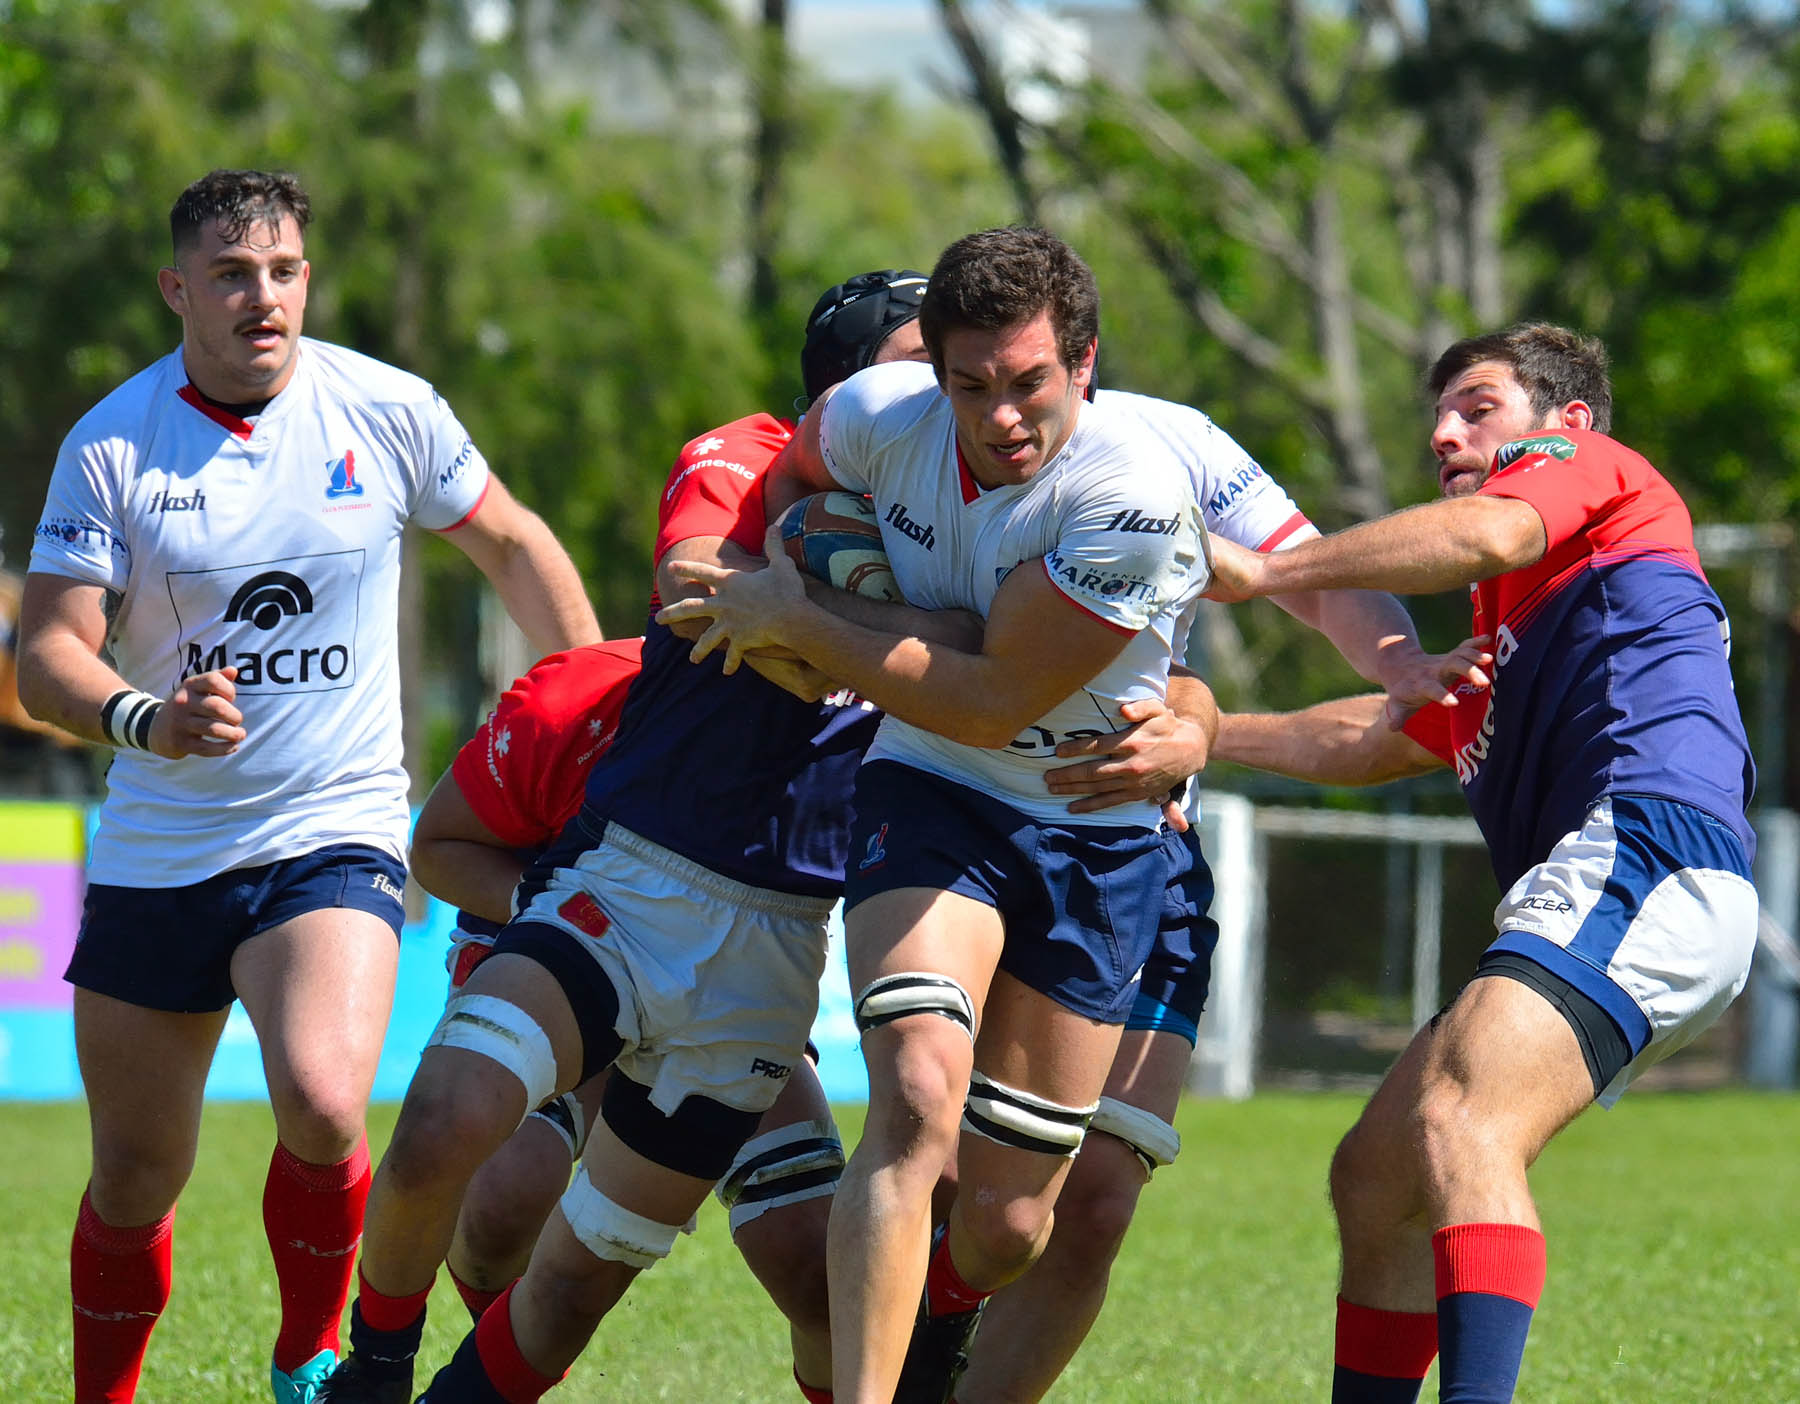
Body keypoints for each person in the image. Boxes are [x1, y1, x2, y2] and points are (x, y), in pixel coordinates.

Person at [318, 267, 974, 1404]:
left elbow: (996, 664)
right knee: (443, 1125)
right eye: (920, 365)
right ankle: (372, 1371)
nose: (946, 393)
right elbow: (694, 581)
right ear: (844, 387)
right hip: (625, 887)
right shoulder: (750, 452)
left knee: (580, 1289)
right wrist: (913, 653)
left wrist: (830, 631)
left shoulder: (958, 521)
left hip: (769, 956)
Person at [18, 168, 602, 1404]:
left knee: (330, 1104)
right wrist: (144, 719)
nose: (263, 297)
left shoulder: (385, 410)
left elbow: (515, 545)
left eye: (283, 271)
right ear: (180, 290)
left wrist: (587, 728)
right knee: (133, 1177)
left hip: (332, 825)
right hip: (161, 848)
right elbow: (48, 655)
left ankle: (309, 1359)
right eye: (232, 275)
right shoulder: (114, 443)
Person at [657, 226, 1220, 1404]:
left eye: (1030, 385)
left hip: (1091, 832)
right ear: (934, 376)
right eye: (971, 387)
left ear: (1084, 362)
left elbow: (992, 695)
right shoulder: (874, 414)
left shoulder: (1132, 495)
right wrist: (789, 563)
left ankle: (934, 1337)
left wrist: (804, 623)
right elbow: (797, 481)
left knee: (1011, 1224)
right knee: (915, 1093)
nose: (1002, 416)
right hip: (931, 793)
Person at [1206, 322, 1759, 1402]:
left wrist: (1268, 572)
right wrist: (1207, 736)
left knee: (1463, 1120)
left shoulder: (1591, 479)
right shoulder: (1505, 630)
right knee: (1377, 1180)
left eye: (1478, 405)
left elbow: (1493, 532)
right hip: (1602, 881)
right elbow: (1374, 738)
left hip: (1645, 849)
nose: (1444, 431)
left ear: (1568, 422)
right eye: (1439, 416)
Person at [950, 383, 1468, 1404]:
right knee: (959, 1177)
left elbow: (1313, 577)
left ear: (1079, 352)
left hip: (1139, 851)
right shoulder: (898, 430)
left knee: (1093, 1203)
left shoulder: (1176, 439)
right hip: (965, 835)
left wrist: (1401, 665)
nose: (997, 403)